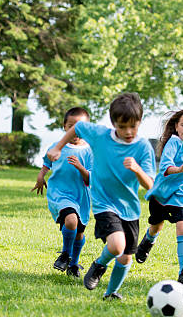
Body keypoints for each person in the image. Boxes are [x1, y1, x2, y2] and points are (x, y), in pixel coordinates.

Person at [47, 93, 156, 300]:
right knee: (116, 246)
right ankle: (99, 265)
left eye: (133, 126)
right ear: (113, 123)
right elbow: (76, 128)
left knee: (125, 258)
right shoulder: (100, 135)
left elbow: (149, 183)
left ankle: (111, 293)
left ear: (140, 122)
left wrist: (137, 170)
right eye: (122, 127)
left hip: (129, 208)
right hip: (104, 202)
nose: (128, 132)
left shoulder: (142, 148)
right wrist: (57, 147)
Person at [135, 109, 183, 288]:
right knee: (156, 225)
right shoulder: (173, 143)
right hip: (164, 191)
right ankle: (147, 241)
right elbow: (166, 167)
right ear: (176, 127)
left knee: (182, 227)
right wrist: (180, 169)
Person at [32, 107, 93, 277]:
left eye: (80, 127)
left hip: (81, 197)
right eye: (71, 126)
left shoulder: (90, 151)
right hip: (60, 194)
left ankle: (73, 264)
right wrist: (40, 176)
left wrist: (81, 168)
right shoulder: (57, 147)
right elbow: (47, 162)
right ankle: (66, 254)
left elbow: (90, 179)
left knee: (80, 233)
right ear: (65, 127)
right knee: (71, 220)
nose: (76, 131)